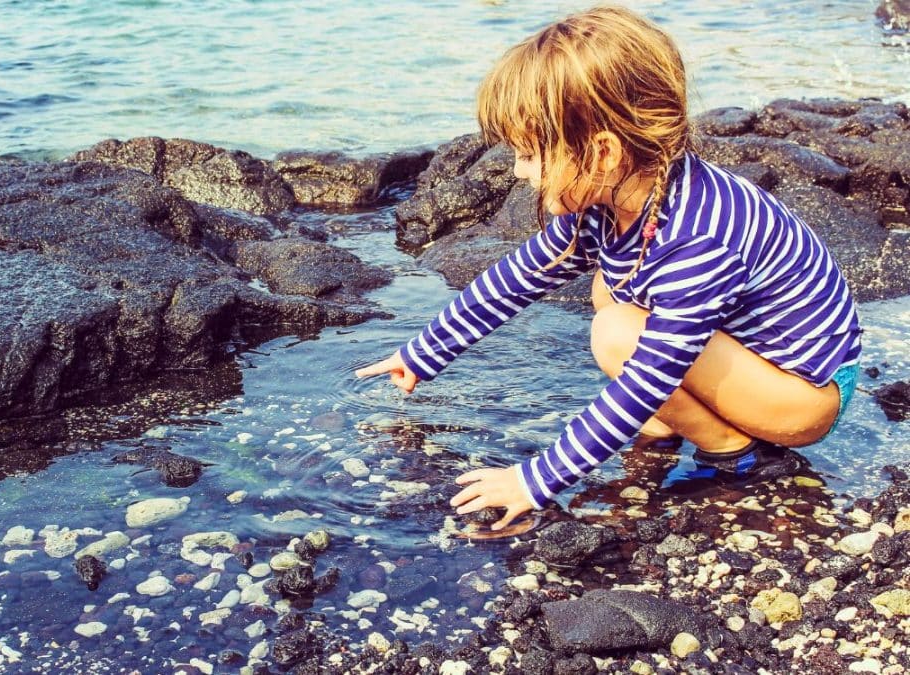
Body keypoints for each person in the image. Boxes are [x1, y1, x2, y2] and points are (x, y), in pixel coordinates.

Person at [355, 6, 862, 532]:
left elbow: (648, 373)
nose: (519, 172)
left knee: (618, 332)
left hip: (803, 395)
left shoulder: (698, 237)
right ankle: (679, 423)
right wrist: (424, 352)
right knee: (609, 290)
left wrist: (536, 479)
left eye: (530, 153)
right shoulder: (619, 199)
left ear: (602, 153)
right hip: (757, 364)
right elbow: (519, 276)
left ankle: (738, 451)